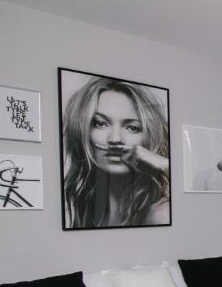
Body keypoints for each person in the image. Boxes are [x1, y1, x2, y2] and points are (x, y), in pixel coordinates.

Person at [62, 76, 170, 228]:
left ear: (149, 137)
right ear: (82, 131)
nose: (115, 139)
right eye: (100, 124)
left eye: (132, 128)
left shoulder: (161, 213)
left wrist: (165, 164)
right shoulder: (87, 210)